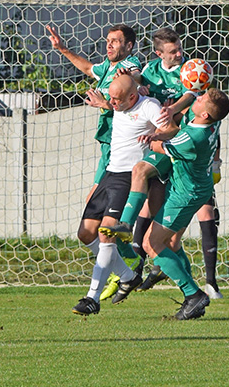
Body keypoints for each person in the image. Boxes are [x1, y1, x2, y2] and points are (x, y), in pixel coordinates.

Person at [102, 29, 224, 299]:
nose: (180, 54)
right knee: (163, 235)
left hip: (178, 144)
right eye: (173, 51)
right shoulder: (149, 70)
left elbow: (194, 96)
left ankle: (204, 285)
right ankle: (190, 288)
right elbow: (132, 84)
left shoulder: (190, 73)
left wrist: (170, 113)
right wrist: (134, 83)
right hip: (174, 148)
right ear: (159, 54)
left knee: (143, 175)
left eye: (180, 49)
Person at [47, 23, 144, 294]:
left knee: (101, 225)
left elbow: (134, 78)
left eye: (115, 41)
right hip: (106, 150)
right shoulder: (107, 68)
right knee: (88, 228)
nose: (109, 44)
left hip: (121, 153)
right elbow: (89, 69)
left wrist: (109, 102)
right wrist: (63, 49)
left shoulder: (130, 65)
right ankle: (124, 270)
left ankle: (126, 265)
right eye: (108, 40)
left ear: (129, 46)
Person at [71, 74, 166, 316]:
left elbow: (169, 128)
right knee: (85, 233)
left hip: (128, 178)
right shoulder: (120, 104)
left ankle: (92, 298)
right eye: (110, 98)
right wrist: (105, 103)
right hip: (109, 174)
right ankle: (128, 274)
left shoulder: (149, 106)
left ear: (133, 96)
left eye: (116, 99)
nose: (111, 103)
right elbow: (118, 99)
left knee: (106, 234)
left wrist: (155, 136)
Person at [139, 88, 229, 320]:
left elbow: (161, 147)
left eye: (201, 99)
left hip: (184, 195)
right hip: (196, 188)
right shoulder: (209, 125)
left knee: (151, 244)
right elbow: (177, 130)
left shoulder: (192, 139)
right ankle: (192, 295)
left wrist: (149, 136)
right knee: (170, 242)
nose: (197, 98)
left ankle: (193, 294)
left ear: (205, 115)